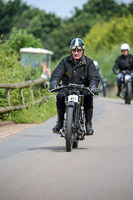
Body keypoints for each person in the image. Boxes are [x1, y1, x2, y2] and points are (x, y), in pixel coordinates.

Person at [50, 38, 100, 135]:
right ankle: (60, 122)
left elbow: (94, 76)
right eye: (74, 50)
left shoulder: (89, 62)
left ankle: (88, 124)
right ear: (71, 50)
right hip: (67, 88)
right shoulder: (65, 61)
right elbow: (56, 74)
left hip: (82, 89)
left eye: (79, 50)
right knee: (60, 96)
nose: (76, 53)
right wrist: (54, 83)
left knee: (89, 96)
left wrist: (93, 85)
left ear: (82, 50)